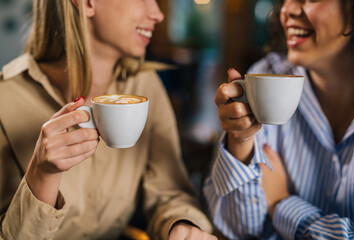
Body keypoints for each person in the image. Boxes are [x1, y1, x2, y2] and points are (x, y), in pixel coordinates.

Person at [0, 0, 217, 239]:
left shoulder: (145, 86)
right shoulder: (5, 98)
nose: (157, 14)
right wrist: (42, 174)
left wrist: (181, 225)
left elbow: (169, 193)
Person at [204, 0, 354, 239]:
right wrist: (241, 140)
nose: (288, 10)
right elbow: (239, 232)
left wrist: (282, 205)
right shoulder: (266, 77)